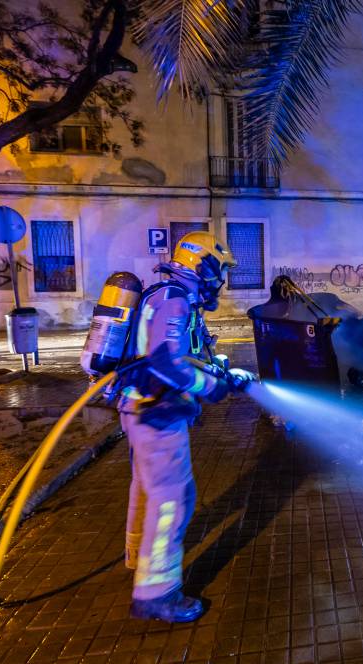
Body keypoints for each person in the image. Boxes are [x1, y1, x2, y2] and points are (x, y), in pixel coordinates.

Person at [119, 231, 250, 623]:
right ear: (202, 264)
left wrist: (223, 372)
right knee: (172, 500)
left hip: (139, 408)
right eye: (218, 269)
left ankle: (137, 558)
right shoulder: (174, 301)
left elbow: (183, 355)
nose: (220, 281)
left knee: (146, 490)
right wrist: (210, 387)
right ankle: (156, 592)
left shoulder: (168, 296)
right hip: (157, 413)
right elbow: (166, 363)